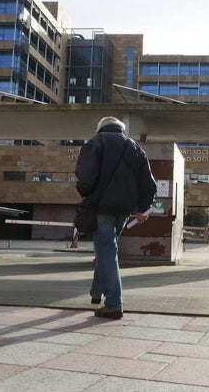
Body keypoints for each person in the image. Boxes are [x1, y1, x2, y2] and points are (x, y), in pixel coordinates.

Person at [75, 116, 157, 319]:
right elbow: (148, 183)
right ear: (121, 129)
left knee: (106, 251)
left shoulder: (95, 142)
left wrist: (86, 193)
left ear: (100, 128)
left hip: (101, 206)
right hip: (125, 209)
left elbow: (85, 175)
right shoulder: (135, 147)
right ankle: (96, 290)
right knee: (107, 250)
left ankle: (113, 304)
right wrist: (143, 208)